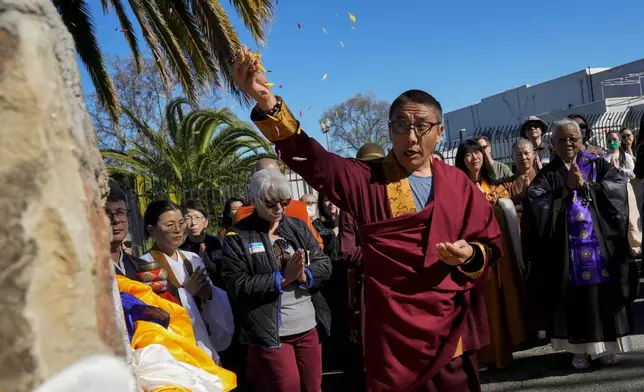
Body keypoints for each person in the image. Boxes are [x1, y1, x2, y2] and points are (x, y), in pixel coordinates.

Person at [233, 48, 502, 392]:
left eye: (422, 126)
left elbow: (489, 245)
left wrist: (470, 256)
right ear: (390, 130)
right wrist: (270, 106)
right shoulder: (365, 179)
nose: (412, 137)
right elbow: (314, 160)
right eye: (402, 126)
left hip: (448, 327)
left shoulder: (458, 184)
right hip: (393, 329)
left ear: (440, 131)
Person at [523, 119, 636, 370]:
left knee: (601, 295)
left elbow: (618, 187)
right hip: (567, 252)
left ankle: (604, 347)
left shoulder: (597, 164)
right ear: (553, 143)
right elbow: (535, 200)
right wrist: (564, 190)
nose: (569, 144)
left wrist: (590, 188)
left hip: (600, 248)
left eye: (573, 138)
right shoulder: (549, 173)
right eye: (562, 139)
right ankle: (580, 351)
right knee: (575, 299)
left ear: (581, 139)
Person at [222, 168, 332, 392]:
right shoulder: (237, 237)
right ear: (255, 201)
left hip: (308, 325)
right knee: (287, 386)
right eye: (272, 204)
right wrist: (281, 279)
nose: (280, 209)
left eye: (285, 201)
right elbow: (237, 285)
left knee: (314, 387)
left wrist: (303, 276)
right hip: (271, 332)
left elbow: (324, 264)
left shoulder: (298, 226)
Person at [455, 141, 530, 370]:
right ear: (462, 160)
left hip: (501, 255)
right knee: (484, 305)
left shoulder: (495, 186)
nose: (474, 157)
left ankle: (505, 353)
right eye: (467, 154)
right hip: (476, 256)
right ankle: (486, 356)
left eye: (477, 152)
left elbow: (509, 210)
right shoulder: (458, 188)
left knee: (503, 300)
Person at [141, 201, 234, 364]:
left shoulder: (193, 259)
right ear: (151, 229)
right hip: (173, 350)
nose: (178, 230)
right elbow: (153, 311)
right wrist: (186, 292)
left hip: (202, 340)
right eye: (170, 225)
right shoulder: (145, 266)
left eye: (180, 223)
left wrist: (209, 295)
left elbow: (213, 302)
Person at [106, 180, 180, 304]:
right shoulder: (87, 271)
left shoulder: (142, 268)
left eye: (120, 212)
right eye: (106, 213)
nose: (116, 220)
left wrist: (162, 293)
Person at [234, 158, 324, 249]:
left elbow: (317, 247)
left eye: (275, 176)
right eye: (264, 177)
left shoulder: (299, 209)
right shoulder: (242, 215)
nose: (279, 208)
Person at [180, 199, 226, 289]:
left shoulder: (220, 243)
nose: (193, 223)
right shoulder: (181, 252)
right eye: (188, 218)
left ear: (206, 222)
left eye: (197, 217)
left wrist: (206, 259)